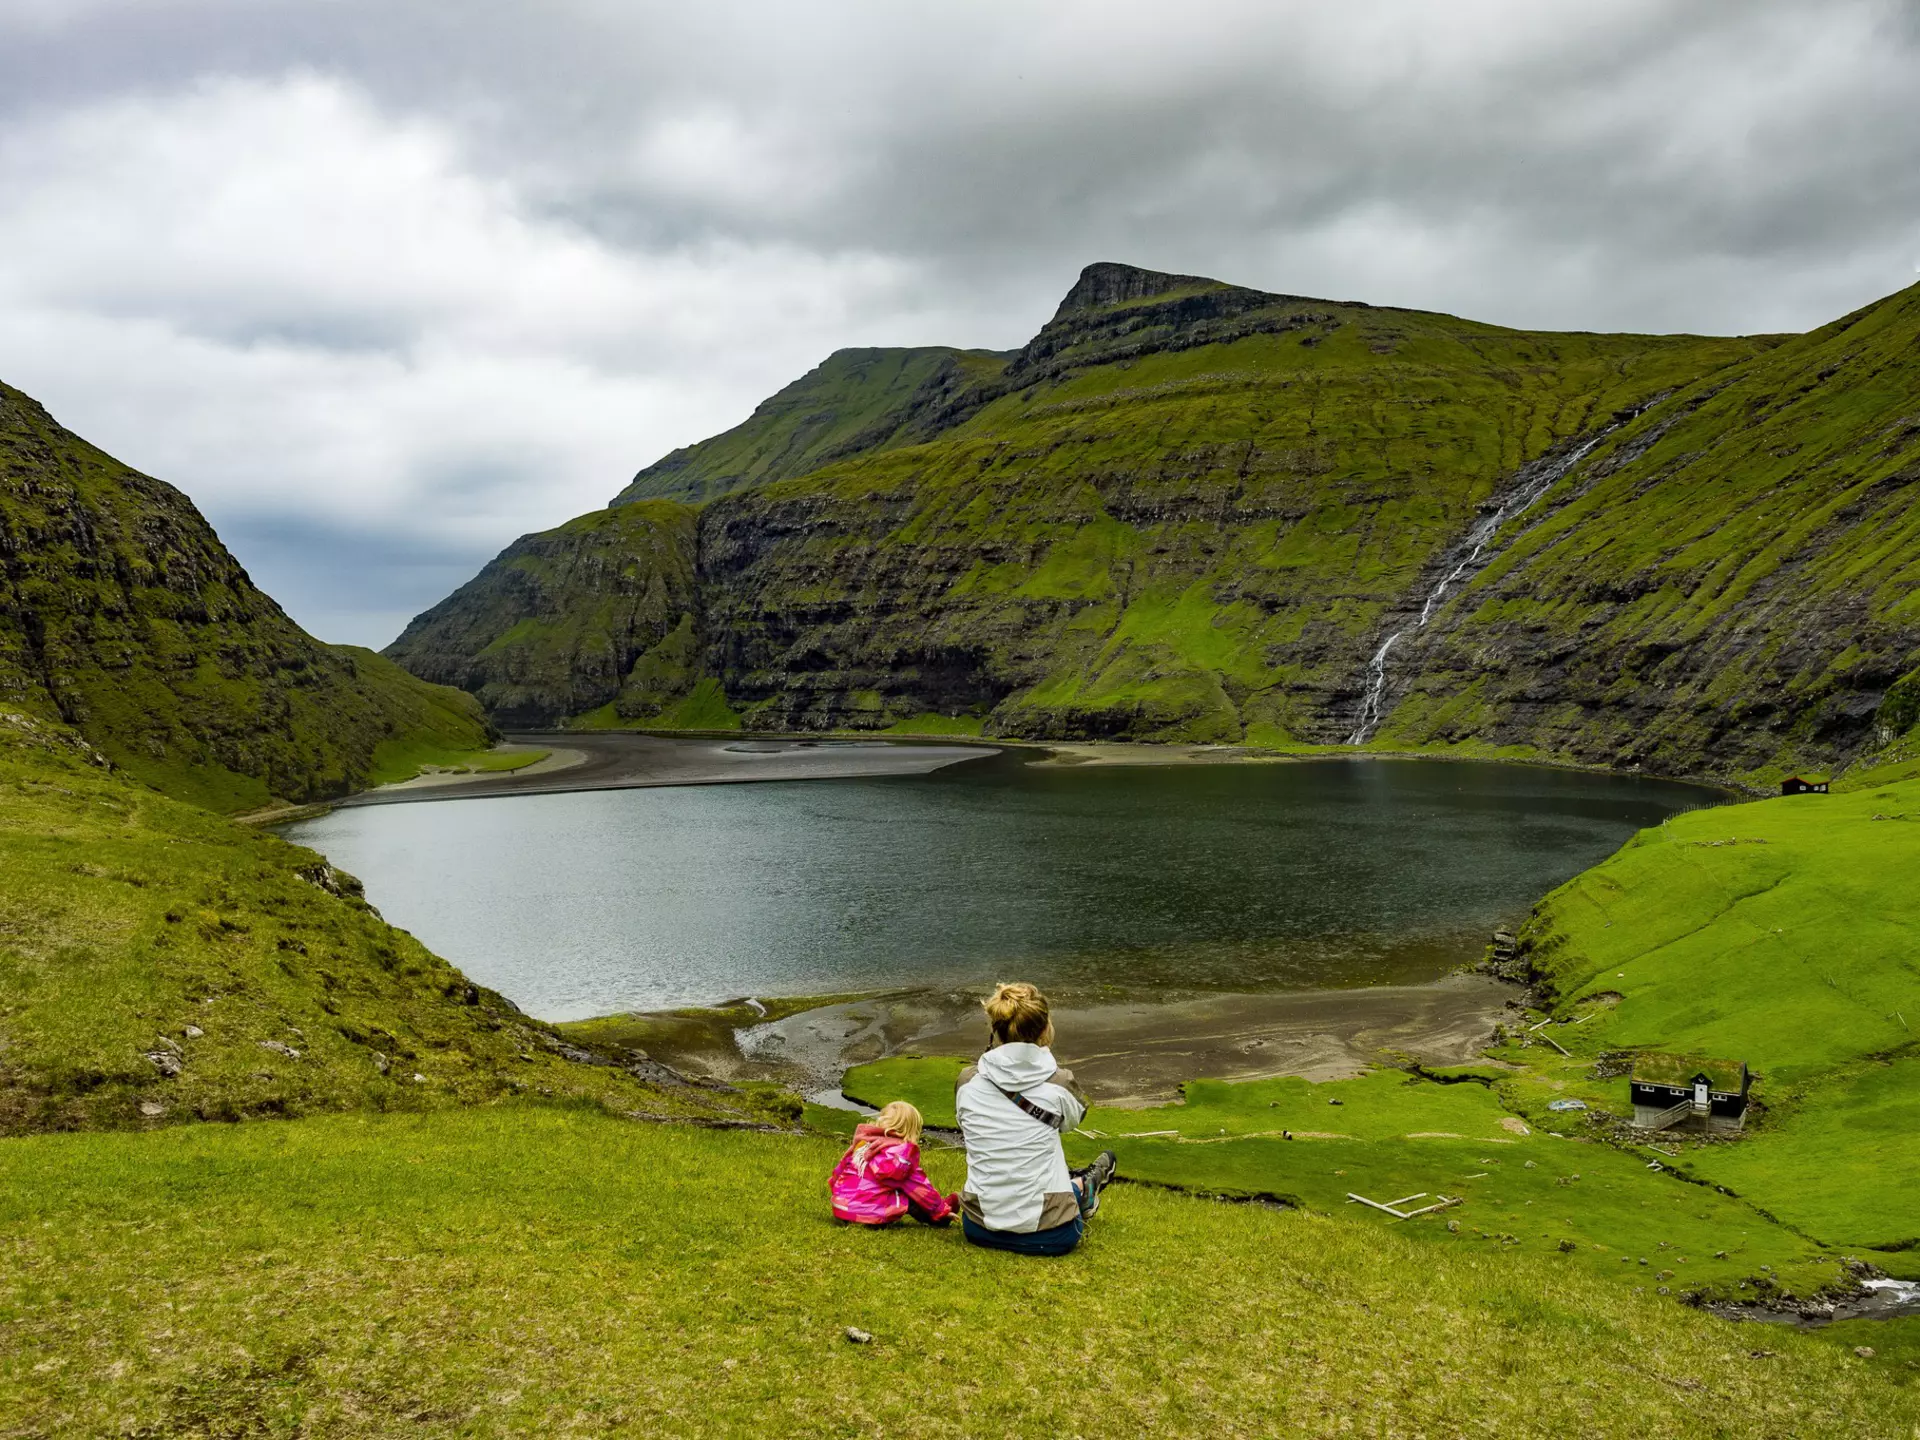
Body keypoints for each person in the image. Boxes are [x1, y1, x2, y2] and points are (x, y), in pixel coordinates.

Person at [955, 981, 1117, 1256]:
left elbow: (965, 1123)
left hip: (979, 1226)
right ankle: (1083, 1187)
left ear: (994, 1029)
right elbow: (1073, 1121)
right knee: (1060, 1179)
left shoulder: (968, 1082)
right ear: (1045, 1028)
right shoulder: (1060, 1084)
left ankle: (1082, 1187)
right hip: (1052, 1235)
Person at [828, 1100, 957, 1227]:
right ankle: (940, 1219)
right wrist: (940, 1210)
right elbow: (921, 1189)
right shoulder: (901, 1155)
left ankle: (941, 1208)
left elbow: (840, 1169)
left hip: (842, 1208)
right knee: (910, 1194)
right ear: (911, 1129)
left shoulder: (864, 1144)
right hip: (869, 1213)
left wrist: (838, 1192)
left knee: (879, 1185)